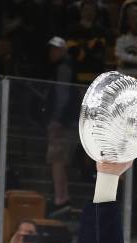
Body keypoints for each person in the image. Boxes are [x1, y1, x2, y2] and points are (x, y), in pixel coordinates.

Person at [45, 36, 78, 218]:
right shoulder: (62, 66)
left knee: (57, 159)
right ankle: (61, 198)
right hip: (67, 121)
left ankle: (61, 199)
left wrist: (57, 119)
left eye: (56, 49)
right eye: (51, 49)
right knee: (59, 160)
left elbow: (62, 93)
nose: (53, 53)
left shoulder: (64, 66)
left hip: (64, 123)